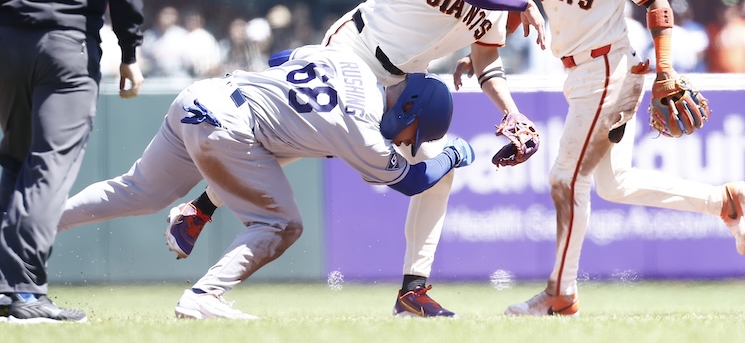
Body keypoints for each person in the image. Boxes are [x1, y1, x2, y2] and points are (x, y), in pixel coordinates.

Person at [166, 0, 548, 317]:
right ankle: (200, 208)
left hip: (404, 76)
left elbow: (487, 63)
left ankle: (413, 291)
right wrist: (522, 2)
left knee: (438, 168)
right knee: (303, 140)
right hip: (355, 50)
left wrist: (512, 111)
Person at [456, 0, 745, 317]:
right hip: (578, 75)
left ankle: (561, 292)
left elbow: (658, 5)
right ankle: (723, 202)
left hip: (615, 69)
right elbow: (516, 9)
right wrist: (478, 49)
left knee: (565, 180)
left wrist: (666, 72)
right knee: (615, 184)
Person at [57, 45, 475, 319]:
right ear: (410, 108)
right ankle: (203, 296)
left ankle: (35, 223)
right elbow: (412, 183)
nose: (407, 142)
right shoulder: (362, 129)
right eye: (414, 133)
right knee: (282, 225)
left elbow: (280, 57)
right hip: (231, 126)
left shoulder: (349, 62)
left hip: (202, 96)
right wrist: (454, 154)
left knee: (137, 192)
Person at [0, 0, 145, 324]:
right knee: (47, 167)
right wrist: (130, 51)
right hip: (65, 50)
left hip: (6, 45)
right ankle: (24, 291)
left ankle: (4, 287)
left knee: (15, 163)